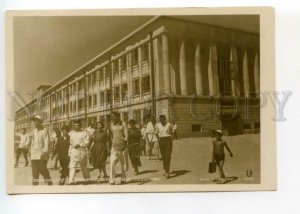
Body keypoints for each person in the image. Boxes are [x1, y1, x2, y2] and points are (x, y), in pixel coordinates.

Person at [30, 115, 52, 185]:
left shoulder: (44, 130)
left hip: (42, 153)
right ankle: (35, 187)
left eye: (36, 121)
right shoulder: (34, 131)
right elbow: (32, 142)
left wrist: (44, 151)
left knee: (42, 169)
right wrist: (31, 151)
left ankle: (49, 181)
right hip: (34, 153)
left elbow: (46, 142)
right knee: (34, 172)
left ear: (40, 122)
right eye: (34, 122)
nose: (35, 123)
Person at [109, 111, 128, 185]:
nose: (112, 117)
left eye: (113, 116)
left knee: (123, 164)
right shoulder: (111, 124)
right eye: (111, 116)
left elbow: (126, 135)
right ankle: (111, 179)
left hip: (123, 146)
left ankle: (123, 178)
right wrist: (112, 143)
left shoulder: (123, 124)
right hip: (114, 147)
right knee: (112, 163)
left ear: (117, 116)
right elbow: (111, 135)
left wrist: (125, 144)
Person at [68, 120, 91, 184]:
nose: (76, 126)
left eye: (77, 125)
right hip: (74, 151)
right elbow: (70, 144)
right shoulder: (71, 133)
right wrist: (69, 152)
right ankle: (71, 180)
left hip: (81, 151)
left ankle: (87, 179)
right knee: (72, 166)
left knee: (84, 166)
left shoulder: (84, 133)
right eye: (75, 125)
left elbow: (87, 142)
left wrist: (80, 145)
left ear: (80, 125)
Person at [155, 115, 173, 179]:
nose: (162, 121)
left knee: (168, 156)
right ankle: (165, 169)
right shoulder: (157, 125)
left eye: (163, 119)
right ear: (159, 120)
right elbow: (156, 133)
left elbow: (172, 133)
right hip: (161, 141)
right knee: (163, 156)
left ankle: (167, 171)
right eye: (160, 120)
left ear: (165, 119)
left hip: (168, 140)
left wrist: (171, 140)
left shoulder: (169, 125)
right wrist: (159, 140)